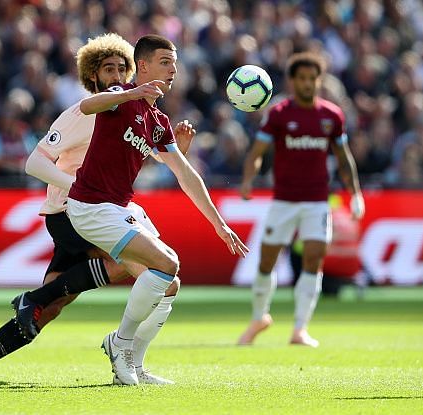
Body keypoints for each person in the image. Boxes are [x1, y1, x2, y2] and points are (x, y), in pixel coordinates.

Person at [0, 33, 193, 385]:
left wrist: (178, 151)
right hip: (71, 211)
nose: (116, 76)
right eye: (107, 69)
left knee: (46, 311)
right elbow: (35, 162)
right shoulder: (85, 114)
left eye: (122, 69)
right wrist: (79, 187)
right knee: (147, 269)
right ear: (91, 77)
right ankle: (123, 354)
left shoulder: (129, 112)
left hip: (96, 210)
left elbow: (145, 159)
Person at [13, 34, 249, 386]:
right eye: (166, 62)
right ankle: (119, 343)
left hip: (118, 207)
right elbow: (89, 107)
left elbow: (185, 173)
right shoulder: (117, 97)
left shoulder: (157, 121)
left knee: (169, 283)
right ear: (144, 66)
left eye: (175, 63)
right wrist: (131, 93)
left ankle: (134, 365)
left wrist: (219, 224)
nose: (173, 70)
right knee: (166, 264)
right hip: (89, 206)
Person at [237, 52, 365, 348]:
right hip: (284, 200)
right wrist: (247, 180)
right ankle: (259, 317)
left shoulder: (331, 116)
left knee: (313, 260)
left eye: (313, 79)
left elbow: (344, 158)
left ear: (318, 81)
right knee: (267, 261)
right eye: (302, 78)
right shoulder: (279, 114)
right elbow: (256, 154)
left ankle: (300, 329)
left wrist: (355, 192)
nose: (308, 84)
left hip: (318, 201)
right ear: (293, 82)